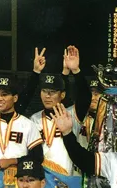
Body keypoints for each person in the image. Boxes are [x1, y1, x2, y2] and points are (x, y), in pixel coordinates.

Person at [29, 46, 91, 175]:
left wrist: (76, 70)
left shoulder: (72, 114)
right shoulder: (34, 119)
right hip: (40, 177)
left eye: (52, 92)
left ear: (61, 95)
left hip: (65, 178)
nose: (47, 96)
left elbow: (85, 97)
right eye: (44, 91)